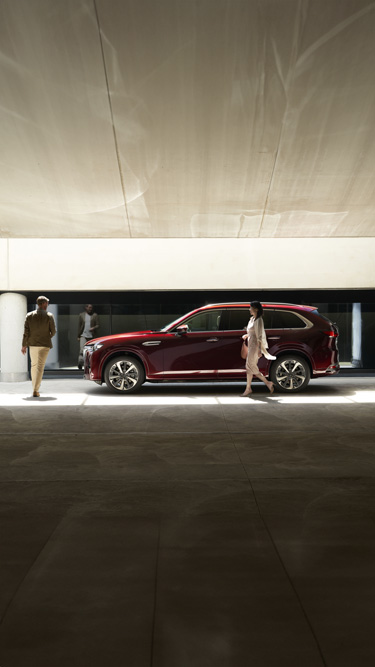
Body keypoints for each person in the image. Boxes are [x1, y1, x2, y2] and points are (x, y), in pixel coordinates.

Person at [21, 295, 56, 397]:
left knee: (34, 366)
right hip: (45, 345)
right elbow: (53, 331)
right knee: (40, 367)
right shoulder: (49, 316)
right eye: (47, 303)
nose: (48, 305)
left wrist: (24, 345)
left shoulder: (29, 315)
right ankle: (36, 389)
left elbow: (26, 332)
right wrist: (47, 336)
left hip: (33, 344)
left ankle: (34, 388)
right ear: (44, 304)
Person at [241, 300, 276, 396]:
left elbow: (260, 336)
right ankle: (249, 388)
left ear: (255, 309)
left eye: (250, 307)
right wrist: (247, 335)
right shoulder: (252, 319)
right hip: (251, 344)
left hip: (255, 346)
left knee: (250, 366)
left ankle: (266, 383)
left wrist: (260, 350)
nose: (249, 309)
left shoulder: (259, 320)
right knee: (250, 367)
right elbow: (252, 332)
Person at [77, 304, 99, 369]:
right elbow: (79, 326)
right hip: (83, 335)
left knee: (90, 351)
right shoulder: (81, 315)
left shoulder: (95, 315)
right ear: (86, 308)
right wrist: (78, 336)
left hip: (91, 336)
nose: (90, 309)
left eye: (91, 308)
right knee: (81, 350)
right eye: (89, 307)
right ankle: (80, 363)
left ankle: (89, 365)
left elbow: (98, 325)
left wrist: (93, 328)